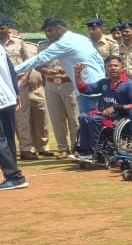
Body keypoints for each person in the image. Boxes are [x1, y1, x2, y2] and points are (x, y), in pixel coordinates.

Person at [15, 17, 105, 156]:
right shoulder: (81, 38)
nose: (48, 35)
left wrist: (11, 71)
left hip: (87, 89)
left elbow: (39, 59)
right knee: (96, 122)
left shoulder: (64, 43)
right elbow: (98, 60)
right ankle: (95, 152)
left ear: (59, 28)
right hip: (97, 85)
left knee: (88, 123)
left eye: (50, 31)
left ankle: (93, 153)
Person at [72, 55, 132, 161]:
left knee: (94, 119)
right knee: (83, 117)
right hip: (104, 115)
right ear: (106, 69)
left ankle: (97, 151)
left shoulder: (130, 85)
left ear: (122, 68)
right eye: (110, 66)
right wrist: (78, 74)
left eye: (116, 65)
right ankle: (85, 150)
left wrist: (116, 107)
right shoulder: (104, 83)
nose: (113, 68)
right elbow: (84, 89)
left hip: (119, 117)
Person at [0, 15, 49, 160]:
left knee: (28, 115)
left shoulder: (19, 43)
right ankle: (25, 149)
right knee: (20, 118)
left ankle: (31, 148)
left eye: (2, 28)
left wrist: (26, 76)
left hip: (21, 82)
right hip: (4, 84)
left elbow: (29, 61)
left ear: (8, 28)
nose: (0, 31)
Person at [0, 49, 28, 191]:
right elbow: (11, 71)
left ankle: (14, 176)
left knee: (1, 140)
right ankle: (12, 171)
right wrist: (16, 93)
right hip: (8, 97)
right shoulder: (1, 48)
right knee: (8, 138)